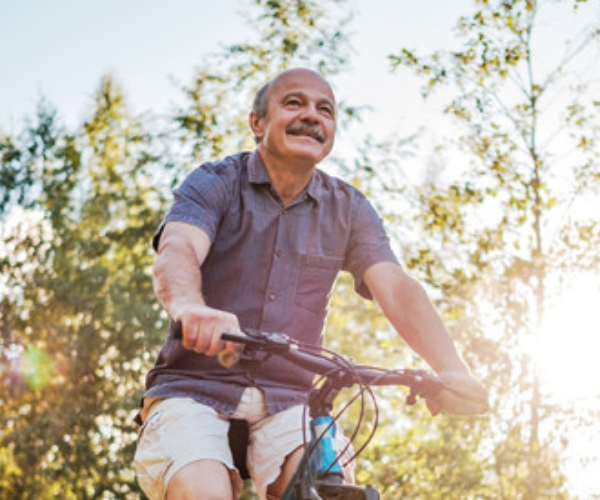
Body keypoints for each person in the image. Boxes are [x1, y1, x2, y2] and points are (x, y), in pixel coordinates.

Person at [133, 67, 488, 500]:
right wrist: (192, 308)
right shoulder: (216, 183)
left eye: (326, 110)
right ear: (257, 123)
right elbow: (178, 249)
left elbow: (395, 287)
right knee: (201, 491)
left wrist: (452, 369)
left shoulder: (349, 208)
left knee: (328, 489)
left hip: (291, 400)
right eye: (294, 103)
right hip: (196, 389)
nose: (312, 116)